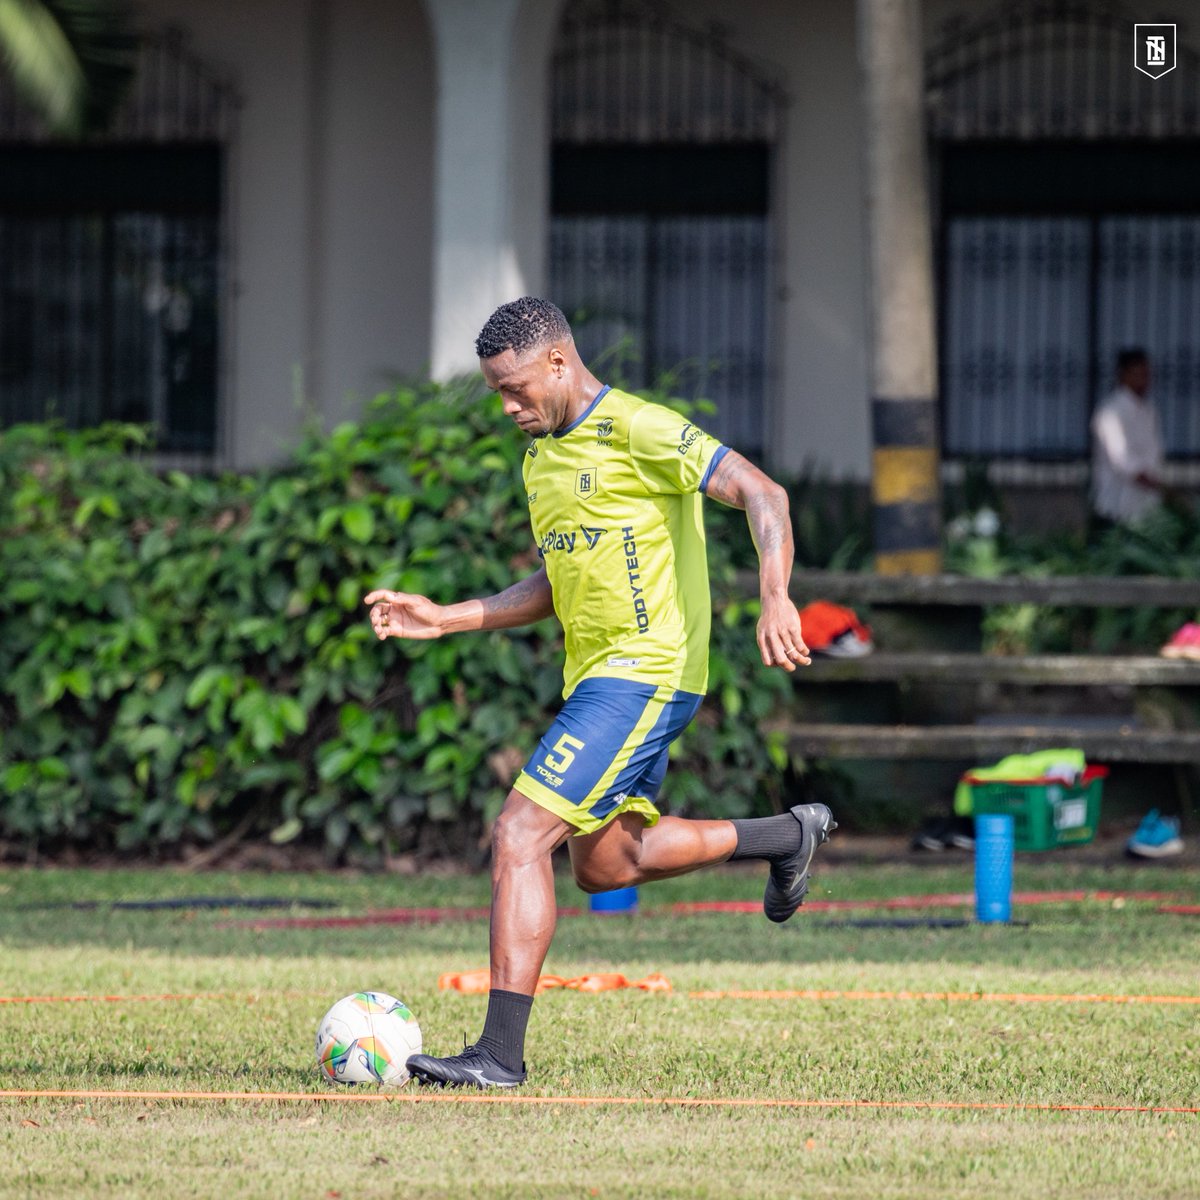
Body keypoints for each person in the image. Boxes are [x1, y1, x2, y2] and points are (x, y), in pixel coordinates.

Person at [363, 297, 835, 1088]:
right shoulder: (541, 459)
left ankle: (498, 1057)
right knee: (610, 864)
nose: (508, 408)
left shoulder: (640, 429)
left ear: (558, 361)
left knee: (519, 835)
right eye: (496, 395)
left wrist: (776, 593)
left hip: (646, 670)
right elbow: (558, 579)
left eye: (516, 389)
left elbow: (764, 494)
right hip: (599, 675)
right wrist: (447, 617)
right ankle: (788, 836)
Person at [1090, 348, 1165, 529]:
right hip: (1115, 505)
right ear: (1123, 375)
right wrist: (1151, 482)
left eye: (1146, 375)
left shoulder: (1148, 411)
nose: (1144, 380)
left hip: (1146, 506)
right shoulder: (1110, 412)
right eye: (1137, 374)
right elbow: (1122, 459)